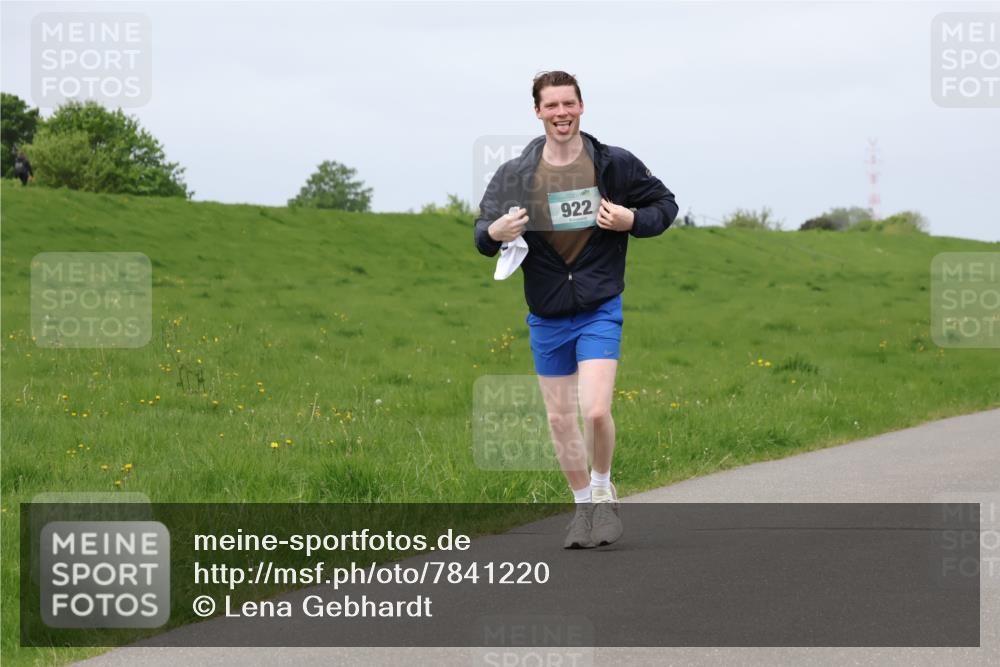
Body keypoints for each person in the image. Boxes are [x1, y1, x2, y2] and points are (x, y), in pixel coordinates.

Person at [474, 71, 677, 548]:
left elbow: (665, 205)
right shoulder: (515, 174)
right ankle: (582, 506)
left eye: (569, 103)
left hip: (599, 304)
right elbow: (482, 232)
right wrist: (496, 232)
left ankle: (603, 490)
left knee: (596, 409)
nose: (561, 113)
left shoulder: (613, 164)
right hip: (547, 312)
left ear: (581, 106)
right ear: (538, 112)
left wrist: (631, 219)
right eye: (551, 105)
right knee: (560, 421)